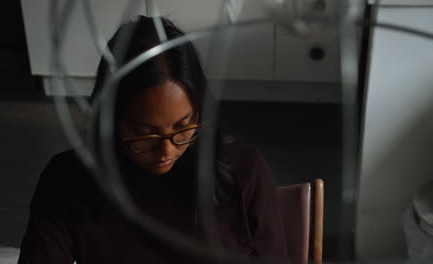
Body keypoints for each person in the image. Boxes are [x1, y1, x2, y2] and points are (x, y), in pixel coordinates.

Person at [18, 16, 290, 264]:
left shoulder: (242, 169)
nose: (167, 149)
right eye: (145, 132)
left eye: (183, 128)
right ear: (110, 120)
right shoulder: (67, 180)